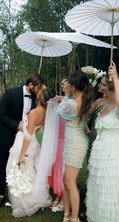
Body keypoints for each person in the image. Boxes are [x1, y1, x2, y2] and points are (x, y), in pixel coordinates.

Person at [86, 63, 119, 222]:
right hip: (100, 154)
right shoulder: (105, 105)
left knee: (112, 194)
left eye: (105, 83)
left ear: (113, 86)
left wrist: (115, 76)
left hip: (115, 156)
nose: (102, 85)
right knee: (100, 192)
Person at [0, 73, 44, 208]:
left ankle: (18, 194)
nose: (39, 91)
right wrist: (17, 126)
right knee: (2, 165)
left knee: (20, 165)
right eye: (37, 88)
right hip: (6, 135)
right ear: (30, 85)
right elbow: (1, 115)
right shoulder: (10, 93)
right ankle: (1, 195)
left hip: (23, 138)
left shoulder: (36, 98)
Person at [57, 71, 94, 222]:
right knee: (66, 179)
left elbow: (59, 112)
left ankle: (74, 220)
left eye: (67, 85)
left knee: (70, 182)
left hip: (75, 144)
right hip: (73, 141)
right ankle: (66, 215)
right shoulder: (84, 100)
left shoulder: (71, 103)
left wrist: (65, 95)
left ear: (72, 87)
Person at [6, 87, 53, 217]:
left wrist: (21, 154)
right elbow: (37, 129)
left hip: (24, 144)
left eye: (40, 92)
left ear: (40, 97)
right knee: (29, 171)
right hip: (34, 144)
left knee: (16, 170)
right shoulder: (46, 112)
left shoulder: (34, 112)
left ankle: (25, 203)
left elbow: (27, 135)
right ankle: (36, 197)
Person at [48, 79, 68, 212]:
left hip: (67, 138)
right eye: (61, 84)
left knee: (62, 167)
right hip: (58, 137)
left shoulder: (72, 100)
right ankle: (58, 193)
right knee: (56, 165)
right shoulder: (61, 99)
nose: (62, 85)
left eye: (64, 83)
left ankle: (63, 197)